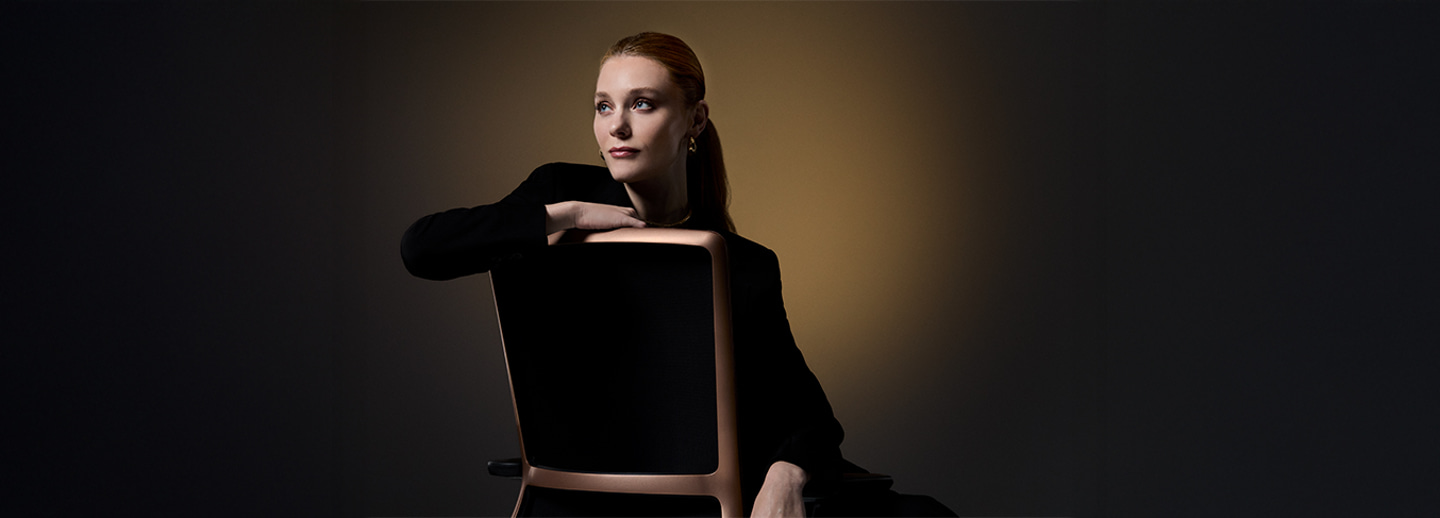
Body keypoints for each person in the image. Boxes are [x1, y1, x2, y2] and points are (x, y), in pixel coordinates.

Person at [401, 32, 953, 518]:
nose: (616, 125)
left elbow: (808, 416)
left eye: (641, 104)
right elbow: (422, 248)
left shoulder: (742, 261)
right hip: (585, 501)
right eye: (603, 106)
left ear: (695, 119)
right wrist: (565, 215)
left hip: (717, 501)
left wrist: (786, 476)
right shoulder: (556, 197)